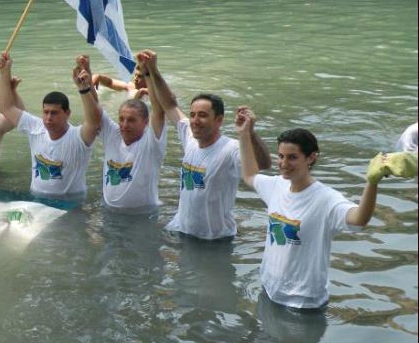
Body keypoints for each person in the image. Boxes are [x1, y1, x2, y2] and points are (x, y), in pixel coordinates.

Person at [237, 125, 384, 309]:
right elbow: (250, 175)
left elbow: (358, 219)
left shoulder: (326, 199)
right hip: (269, 292)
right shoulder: (276, 186)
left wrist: (372, 182)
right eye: (281, 156)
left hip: (304, 304)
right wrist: (244, 134)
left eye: (292, 157)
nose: (283, 163)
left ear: (311, 157)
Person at [140, 50, 271, 239]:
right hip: (181, 230)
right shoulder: (190, 138)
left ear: (218, 120)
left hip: (215, 239)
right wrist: (153, 70)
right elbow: (169, 105)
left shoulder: (231, 149)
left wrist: (250, 134)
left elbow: (264, 165)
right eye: (192, 114)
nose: (194, 120)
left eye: (202, 115)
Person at [0, 51, 101, 199]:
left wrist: (84, 89)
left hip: (70, 206)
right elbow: (6, 108)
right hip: (37, 201)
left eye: (54, 113)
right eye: (46, 112)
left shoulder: (79, 137)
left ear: (67, 113)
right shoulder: (36, 128)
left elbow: (94, 121)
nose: (48, 118)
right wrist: (5, 72)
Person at [96, 52, 167, 209]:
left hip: (143, 214)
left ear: (145, 123)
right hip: (109, 210)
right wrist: (96, 78)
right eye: (121, 119)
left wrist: (150, 73)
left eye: (140, 75)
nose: (124, 125)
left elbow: (161, 110)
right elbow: (108, 88)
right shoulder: (131, 88)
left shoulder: (149, 142)